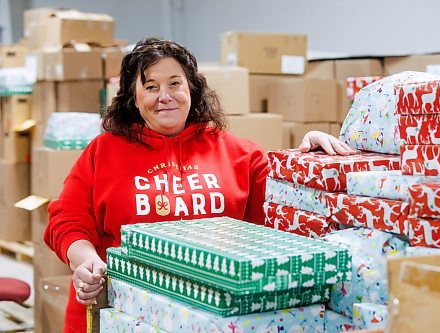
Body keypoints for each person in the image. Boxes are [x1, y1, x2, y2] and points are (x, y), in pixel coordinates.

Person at [44, 37, 356, 332]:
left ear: (192, 88)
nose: (164, 96)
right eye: (151, 86)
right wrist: (85, 261)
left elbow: (285, 209)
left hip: (216, 316)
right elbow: (68, 219)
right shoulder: (104, 151)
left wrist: (305, 160)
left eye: (175, 83)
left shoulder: (241, 154)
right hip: (124, 309)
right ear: (133, 97)